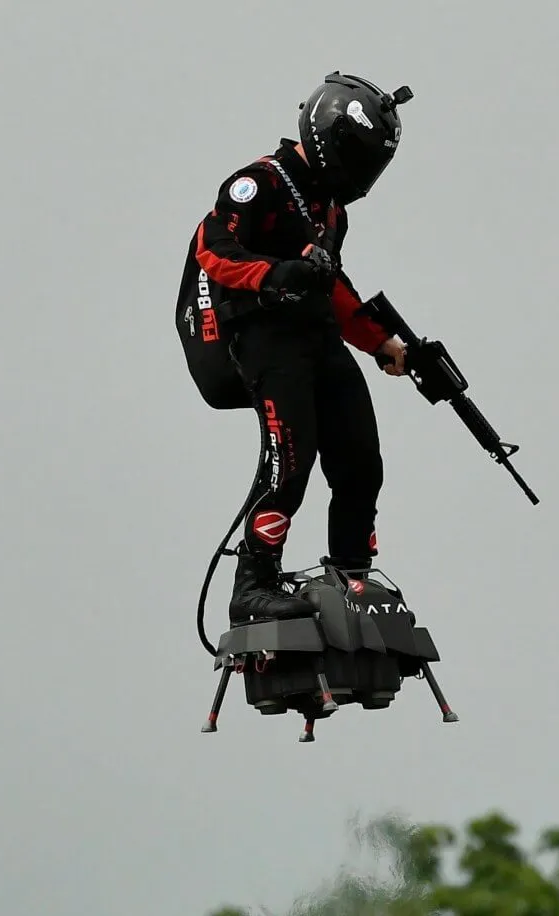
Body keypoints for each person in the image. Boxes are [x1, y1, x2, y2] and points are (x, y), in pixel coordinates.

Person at [175, 71, 413, 625]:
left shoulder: (332, 211)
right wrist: (279, 273)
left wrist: (383, 344)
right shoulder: (259, 183)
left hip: (312, 336)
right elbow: (213, 250)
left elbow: (332, 287)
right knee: (292, 457)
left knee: (360, 457)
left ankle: (351, 576)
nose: (361, 176)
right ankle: (252, 584)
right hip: (258, 335)